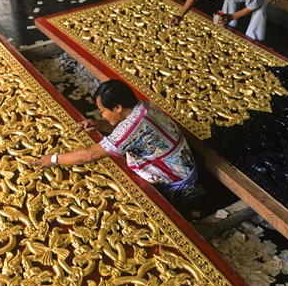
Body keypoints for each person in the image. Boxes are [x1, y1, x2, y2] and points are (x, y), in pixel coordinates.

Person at [27, 79, 203, 202]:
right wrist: (99, 125)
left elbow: (90, 155)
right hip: (185, 165)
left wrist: (52, 159)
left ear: (118, 107)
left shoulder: (130, 129)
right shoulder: (143, 106)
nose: (102, 114)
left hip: (176, 180)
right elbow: (132, 132)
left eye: (102, 110)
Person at [169, 0, 273, 42]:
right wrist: (180, 15)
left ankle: (254, 43)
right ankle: (227, 29)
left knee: (259, 12)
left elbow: (254, 5)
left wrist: (232, 16)